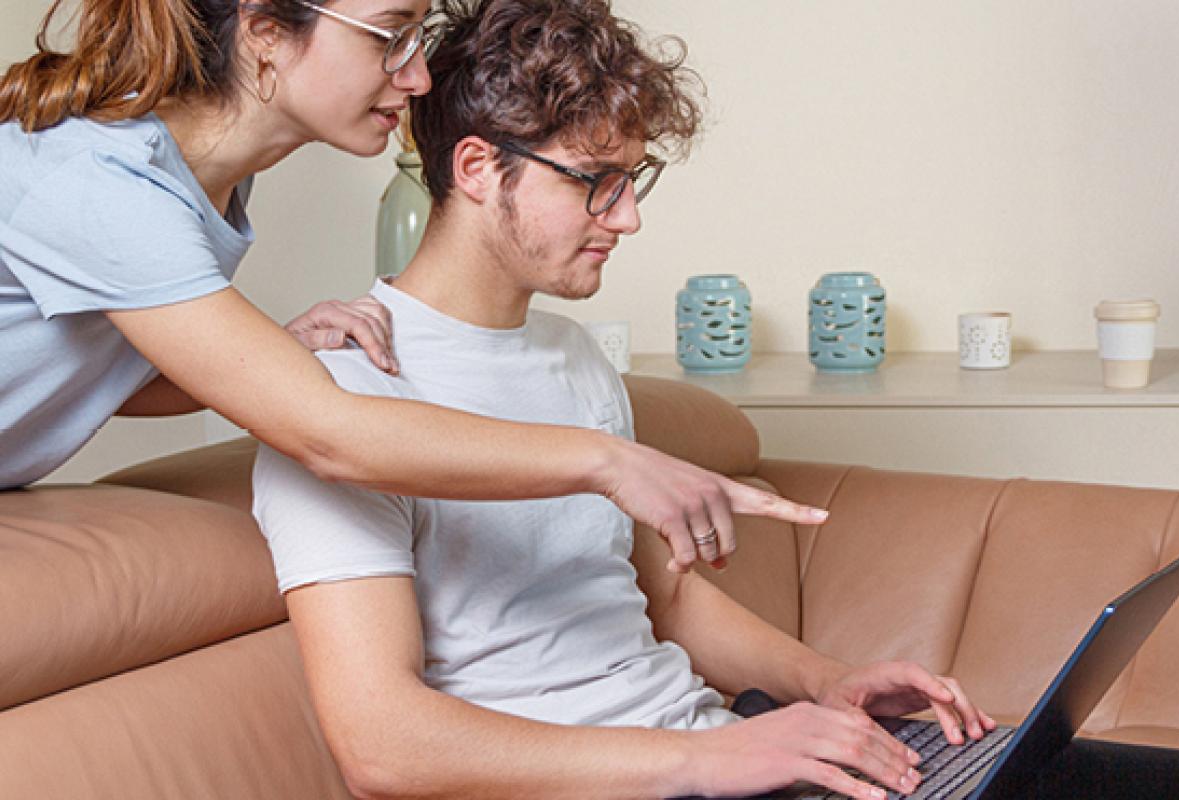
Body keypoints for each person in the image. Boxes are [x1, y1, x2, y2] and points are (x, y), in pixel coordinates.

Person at [251, 2, 997, 798]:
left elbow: (664, 595)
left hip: (709, 756)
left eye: (632, 182)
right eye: (596, 183)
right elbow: (383, 750)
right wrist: (710, 761)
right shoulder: (342, 395)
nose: (629, 217)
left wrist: (825, 683)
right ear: (475, 169)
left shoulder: (575, 360)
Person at [0, 0, 828, 573]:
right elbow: (333, 437)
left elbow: (91, 376)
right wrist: (608, 460)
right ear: (263, 33)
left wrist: (262, 355)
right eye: (388, 35)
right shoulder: (102, 185)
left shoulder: (200, 186)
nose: (420, 75)